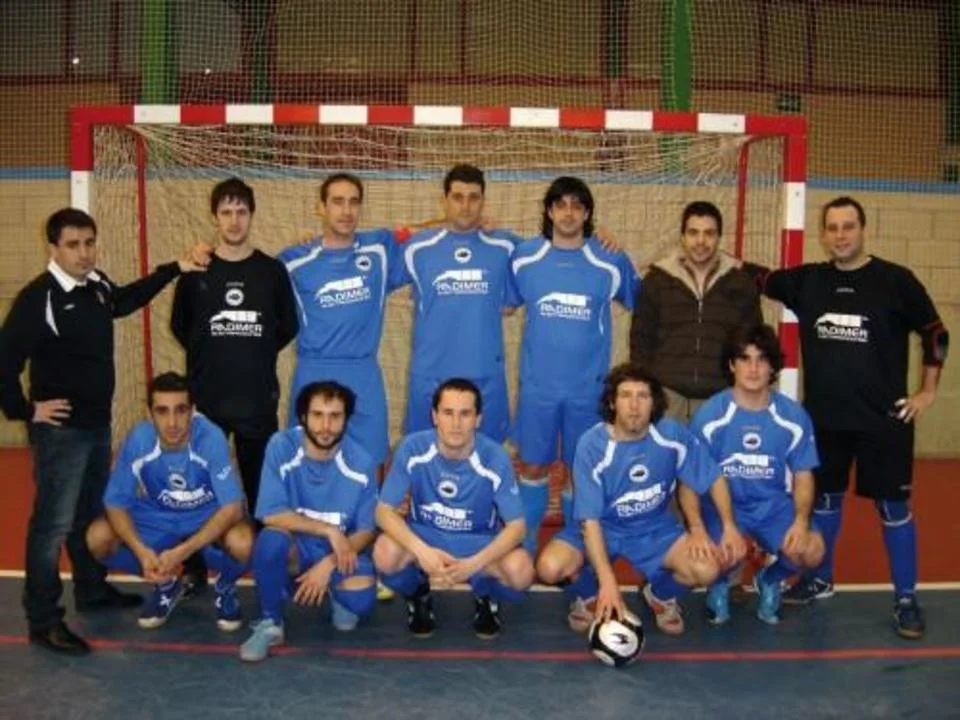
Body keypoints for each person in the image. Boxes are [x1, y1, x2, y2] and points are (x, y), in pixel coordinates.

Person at [0, 208, 209, 655]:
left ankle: (92, 589)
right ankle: (43, 620)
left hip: (96, 426)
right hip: (61, 435)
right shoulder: (39, 299)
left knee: (87, 513)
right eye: (73, 245)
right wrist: (26, 410)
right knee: (51, 526)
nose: (83, 253)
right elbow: (4, 361)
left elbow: (124, 300)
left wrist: (175, 269)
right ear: (53, 248)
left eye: (89, 243)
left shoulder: (95, 285)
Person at [743, 196, 948, 639]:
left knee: (893, 508)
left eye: (848, 226)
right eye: (832, 227)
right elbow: (758, 277)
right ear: (823, 234)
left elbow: (936, 333)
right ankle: (820, 579)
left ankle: (906, 599)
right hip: (826, 421)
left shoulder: (896, 281)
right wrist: (714, 256)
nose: (840, 235)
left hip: (884, 421)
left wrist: (928, 391)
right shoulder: (808, 281)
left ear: (863, 229)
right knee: (824, 501)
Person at [535, 363, 746, 635]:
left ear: (654, 403)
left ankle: (660, 595)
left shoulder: (671, 435)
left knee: (707, 569)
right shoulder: (591, 446)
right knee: (549, 568)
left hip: (654, 528)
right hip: (604, 526)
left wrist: (728, 527)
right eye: (625, 395)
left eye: (642, 396)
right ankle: (588, 596)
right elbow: (590, 521)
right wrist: (608, 583)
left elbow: (713, 477)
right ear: (612, 402)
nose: (634, 406)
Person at [171, 178, 298, 596]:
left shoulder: (271, 272)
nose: (234, 220)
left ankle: (266, 566)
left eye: (241, 211)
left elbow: (287, 327)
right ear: (214, 217)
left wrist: (251, 354)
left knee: (262, 490)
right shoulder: (196, 273)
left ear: (251, 215)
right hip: (207, 399)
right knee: (197, 488)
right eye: (226, 212)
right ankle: (193, 566)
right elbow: (181, 327)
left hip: (256, 399)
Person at [510, 176, 639, 552]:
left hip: (588, 391)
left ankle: (574, 548)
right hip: (538, 389)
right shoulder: (524, 257)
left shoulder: (610, 260)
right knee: (532, 467)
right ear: (549, 211)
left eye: (577, 206)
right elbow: (503, 305)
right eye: (561, 205)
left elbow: (640, 303)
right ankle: (526, 547)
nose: (568, 213)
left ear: (587, 214)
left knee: (579, 473)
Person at [85, 372, 253, 631]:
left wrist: (182, 553)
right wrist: (141, 552)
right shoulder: (139, 439)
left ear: (192, 411)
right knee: (98, 538)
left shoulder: (210, 437)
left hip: (206, 515)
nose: (172, 422)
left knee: (243, 543)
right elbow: (115, 502)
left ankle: (225, 585)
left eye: (181, 410)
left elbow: (232, 508)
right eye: (162, 411)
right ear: (149, 413)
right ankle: (165, 584)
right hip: (159, 516)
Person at [685, 323, 824, 626]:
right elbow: (689, 482)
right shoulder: (709, 417)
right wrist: (698, 528)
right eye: (745, 358)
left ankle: (770, 579)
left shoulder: (793, 416)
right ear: (731, 365)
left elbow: (803, 475)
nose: (753, 368)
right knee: (709, 560)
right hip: (722, 508)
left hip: (770, 506)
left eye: (762, 359)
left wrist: (801, 522)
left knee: (811, 551)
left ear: (773, 366)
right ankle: (719, 584)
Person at [373, 378, 534, 639]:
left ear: (478, 419)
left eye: (465, 414)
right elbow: (383, 511)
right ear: (434, 416)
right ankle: (418, 593)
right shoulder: (412, 448)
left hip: (477, 542)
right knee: (384, 553)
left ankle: (486, 595)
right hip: (426, 536)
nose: (456, 423)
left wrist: (474, 565)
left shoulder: (495, 457)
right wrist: (423, 552)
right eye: (448, 413)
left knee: (521, 572)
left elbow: (517, 527)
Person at [240, 381, 378, 662]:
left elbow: (366, 530)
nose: (325, 426)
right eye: (317, 415)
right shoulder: (281, 447)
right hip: (296, 548)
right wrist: (328, 530)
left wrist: (328, 565)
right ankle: (271, 622)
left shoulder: (362, 463)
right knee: (270, 540)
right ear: (303, 416)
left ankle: (333, 589)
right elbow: (270, 513)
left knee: (359, 603)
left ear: (346, 419)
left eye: (335, 416)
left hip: (337, 553)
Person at [277, 173, 403, 469]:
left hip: (363, 372)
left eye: (353, 202)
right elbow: (247, 274)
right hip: (314, 370)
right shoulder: (292, 261)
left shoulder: (379, 249)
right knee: (307, 460)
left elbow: (429, 240)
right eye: (337, 202)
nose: (346, 211)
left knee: (374, 459)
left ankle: (371, 503)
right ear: (321, 208)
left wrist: (476, 226)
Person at [395, 164, 523, 442]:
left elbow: (555, 253)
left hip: (484, 374)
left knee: (486, 455)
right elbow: (367, 261)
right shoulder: (417, 248)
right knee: (424, 454)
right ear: (444, 200)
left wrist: (597, 236)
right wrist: (310, 244)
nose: (465, 206)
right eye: (457, 197)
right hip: (431, 375)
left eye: (473, 197)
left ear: (483, 201)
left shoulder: (506, 247)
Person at [630, 201, 761, 421]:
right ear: (682, 237)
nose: (701, 241)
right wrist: (648, 389)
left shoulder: (741, 283)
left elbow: (751, 343)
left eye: (709, 233)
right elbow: (640, 340)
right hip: (667, 398)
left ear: (719, 238)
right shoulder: (656, 280)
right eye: (693, 233)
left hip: (721, 399)